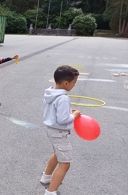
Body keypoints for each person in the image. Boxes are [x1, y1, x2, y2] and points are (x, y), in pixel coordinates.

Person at [39, 65, 80, 195]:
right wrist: (73, 115)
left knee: (57, 153)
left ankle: (46, 176)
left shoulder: (50, 92)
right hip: (59, 133)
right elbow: (63, 120)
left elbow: (56, 113)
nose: (74, 85)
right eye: (74, 82)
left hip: (51, 130)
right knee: (65, 164)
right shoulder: (63, 98)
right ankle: (51, 191)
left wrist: (67, 112)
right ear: (66, 83)